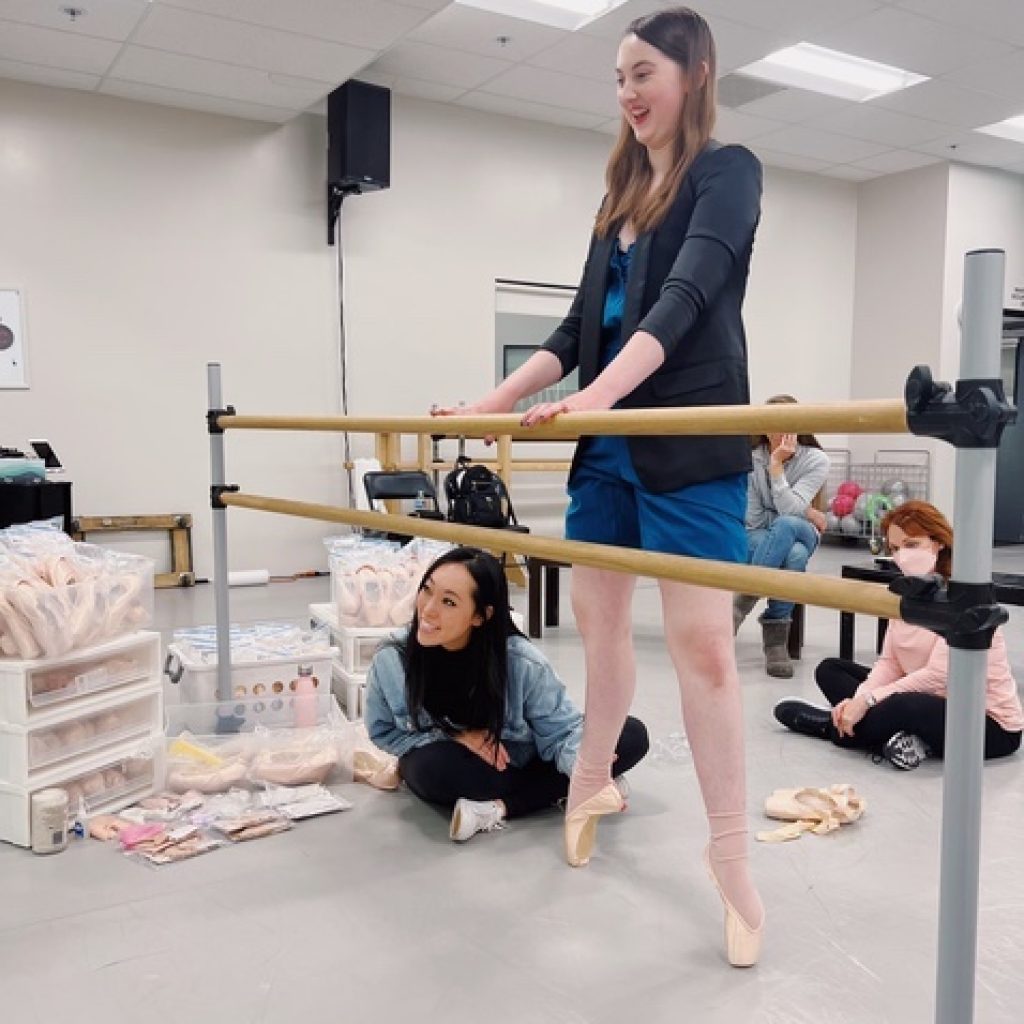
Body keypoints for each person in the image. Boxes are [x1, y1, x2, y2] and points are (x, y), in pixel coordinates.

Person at [434, 8, 764, 966]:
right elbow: (579, 330)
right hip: (607, 456)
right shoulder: (618, 201)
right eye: (618, 76)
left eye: (644, 71)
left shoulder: (727, 173)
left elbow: (688, 299)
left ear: (695, 71)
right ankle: (589, 780)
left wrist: (599, 401)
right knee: (603, 633)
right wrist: (490, 405)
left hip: (685, 447)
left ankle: (731, 852)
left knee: (702, 651)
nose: (628, 92)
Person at [364, 547, 649, 841]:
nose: (428, 609)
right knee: (428, 770)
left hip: (525, 755)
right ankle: (564, 790)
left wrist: (584, 767)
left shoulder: (521, 662)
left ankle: (500, 808)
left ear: (480, 616)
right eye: (427, 590)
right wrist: (455, 736)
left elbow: (561, 732)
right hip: (460, 760)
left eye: (449, 602)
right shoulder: (393, 658)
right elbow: (383, 732)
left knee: (630, 735)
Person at [774, 501, 1023, 768]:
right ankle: (897, 735)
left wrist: (868, 701)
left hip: (986, 724)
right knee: (830, 669)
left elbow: (938, 676)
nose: (902, 555)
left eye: (911, 544)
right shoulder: (907, 595)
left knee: (904, 705)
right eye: (894, 548)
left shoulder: (963, 596)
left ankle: (832, 728)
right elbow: (889, 662)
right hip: (925, 699)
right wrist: (860, 699)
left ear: (938, 543)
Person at [733, 395, 830, 679]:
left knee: (788, 524)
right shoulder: (750, 459)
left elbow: (788, 513)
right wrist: (807, 511)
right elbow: (754, 519)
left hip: (803, 532)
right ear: (763, 428)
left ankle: (741, 604)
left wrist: (776, 468)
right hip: (759, 534)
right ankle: (776, 641)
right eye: (774, 424)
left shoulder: (816, 459)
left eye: (790, 423)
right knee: (794, 555)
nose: (782, 431)